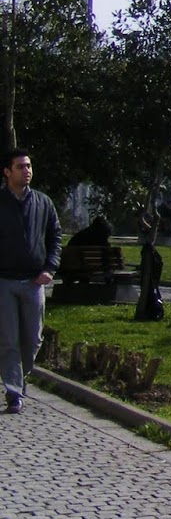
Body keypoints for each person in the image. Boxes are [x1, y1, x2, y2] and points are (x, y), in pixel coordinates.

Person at [0, 150, 61, 414]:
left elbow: (55, 238)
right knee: (9, 339)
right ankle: (14, 392)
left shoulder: (43, 203)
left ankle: (20, 378)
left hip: (34, 281)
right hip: (4, 281)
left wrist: (50, 268)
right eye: (20, 167)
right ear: (7, 172)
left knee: (33, 338)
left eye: (29, 166)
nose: (27, 171)